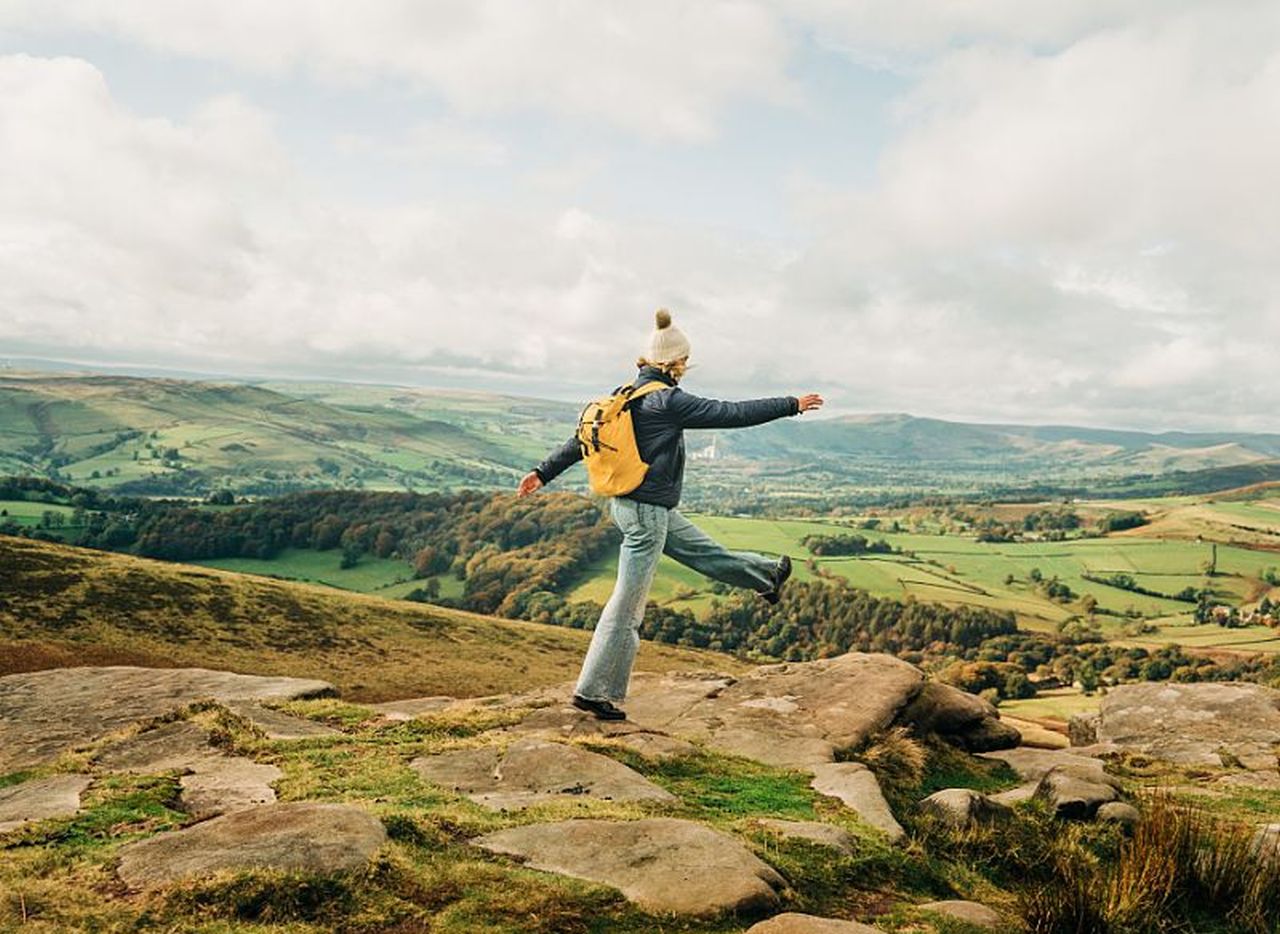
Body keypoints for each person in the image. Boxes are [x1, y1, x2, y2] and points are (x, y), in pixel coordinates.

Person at [516, 309, 823, 720]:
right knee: (628, 607)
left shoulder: (623, 395)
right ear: (677, 363)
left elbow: (580, 441)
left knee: (701, 552)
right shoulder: (667, 401)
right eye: (684, 363)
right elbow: (729, 413)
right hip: (646, 514)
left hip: (627, 506)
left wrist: (542, 472)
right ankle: (593, 692)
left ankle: (766, 576)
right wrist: (791, 404)